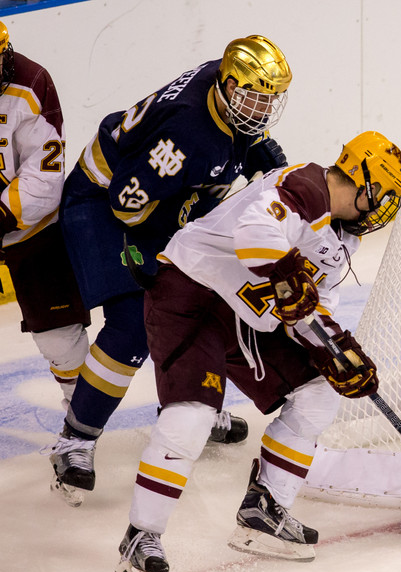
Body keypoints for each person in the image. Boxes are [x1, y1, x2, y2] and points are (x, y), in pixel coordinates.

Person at [113, 131, 401, 572]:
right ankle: (141, 537)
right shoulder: (307, 188)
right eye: (386, 195)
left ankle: (264, 511)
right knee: (191, 417)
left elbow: (310, 306)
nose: (385, 207)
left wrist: (334, 348)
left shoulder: (343, 241)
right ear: (365, 180)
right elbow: (255, 237)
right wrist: (290, 280)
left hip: (248, 316)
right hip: (193, 294)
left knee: (318, 395)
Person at [51, 35, 293, 506]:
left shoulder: (220, 91)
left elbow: (230, 138)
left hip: (154, 200)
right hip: (103, 203)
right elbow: (127, 202)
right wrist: (158, 252)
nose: (259, 111)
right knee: (132, 325)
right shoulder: (189, 136)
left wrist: (254, 144)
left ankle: (186, 407)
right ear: (227, 85)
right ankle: (75, 439)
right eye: (252, 99)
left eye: (268, 102)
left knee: (206, 297)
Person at [0, 20, 90, 413]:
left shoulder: (31, 81)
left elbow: (44, 175)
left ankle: (81, 421)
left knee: (59, 336)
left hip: (30, 230)